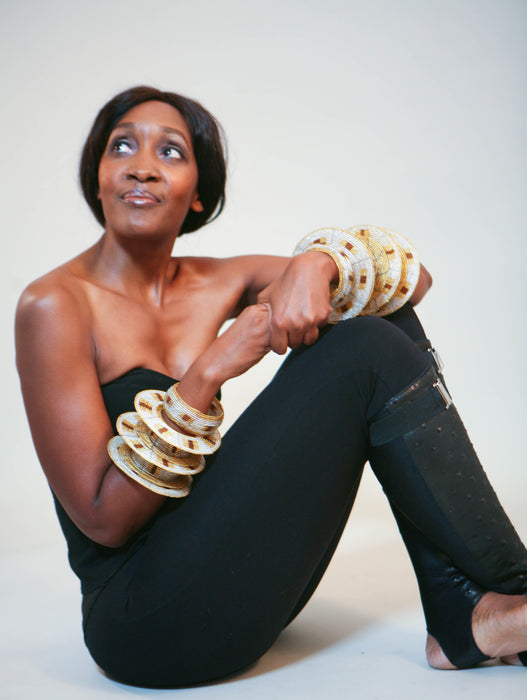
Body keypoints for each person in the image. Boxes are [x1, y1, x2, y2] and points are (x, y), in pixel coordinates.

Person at [15, 86, 526, 688]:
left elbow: (411, 286)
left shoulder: (216, 280)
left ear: (198, 193)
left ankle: (477, 604)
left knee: (376, 317)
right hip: (142, 622)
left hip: (232, 579)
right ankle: (501, 599)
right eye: (121, 146)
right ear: (98, 178)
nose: (142, 165)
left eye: (171, 151)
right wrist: (208, 371)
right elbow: (103, 521)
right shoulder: (53, 305)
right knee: (363, 346)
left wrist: (319, 263)